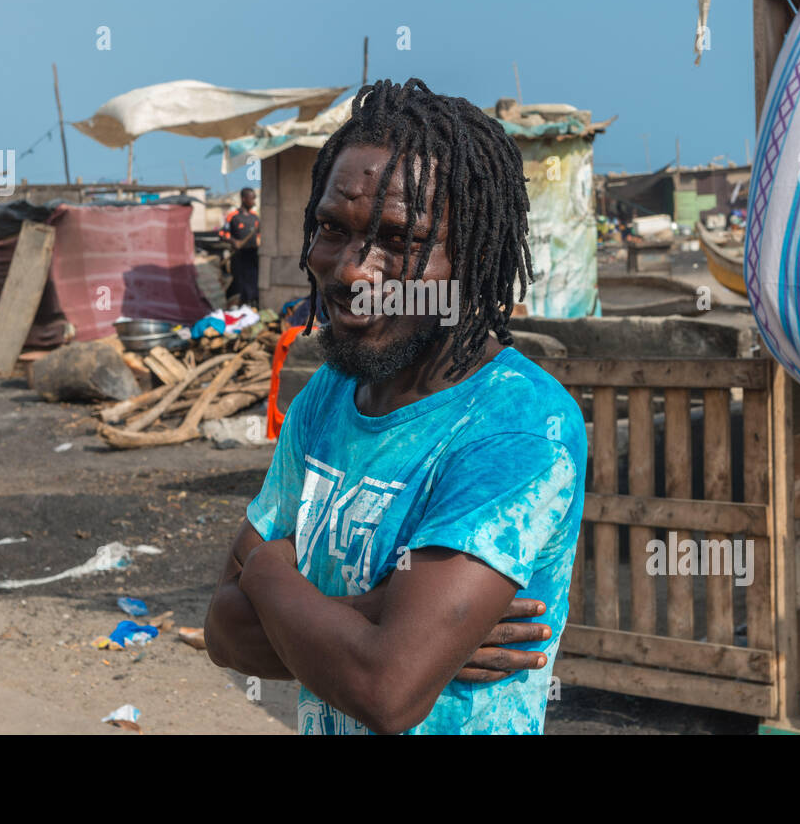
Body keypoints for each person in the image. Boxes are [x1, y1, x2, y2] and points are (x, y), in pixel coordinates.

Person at [204, 78, 586, 735]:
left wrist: (267, 577)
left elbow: (385, 689)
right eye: (332, 227)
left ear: (470, 259)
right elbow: (222, 631)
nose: (354, 272)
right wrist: (372, 616)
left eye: (397, 239)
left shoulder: (518, 425)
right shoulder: (327, 396)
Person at [218, 187, 260, 306]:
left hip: (253, 254)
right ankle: (240, 305)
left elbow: (259, 234)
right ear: (244, 199)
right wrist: (233, 241)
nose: (254, 201)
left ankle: (253, 304)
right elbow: (222, 234)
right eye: (252, 199)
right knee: (240, 282)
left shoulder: (255, 217)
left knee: (253, 280)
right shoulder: (233, 216)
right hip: (238, 256)